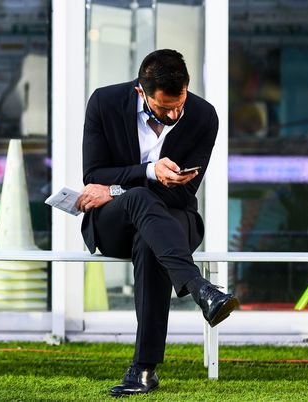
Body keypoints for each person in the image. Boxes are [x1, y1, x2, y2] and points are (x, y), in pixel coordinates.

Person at [75, 49, 239, 397]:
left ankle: (144, 370)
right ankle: (200, 289)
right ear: (141, 91)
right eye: (164, 108)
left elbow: (185, 192)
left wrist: (115, 188)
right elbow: (93, 175)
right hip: (113, 225)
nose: (173, 114)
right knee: (138, 198)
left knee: (149, 240)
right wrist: (148, 173)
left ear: (187, 87)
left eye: (178, 104)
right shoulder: (104, 103)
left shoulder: (204, 116)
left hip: (175, 222)